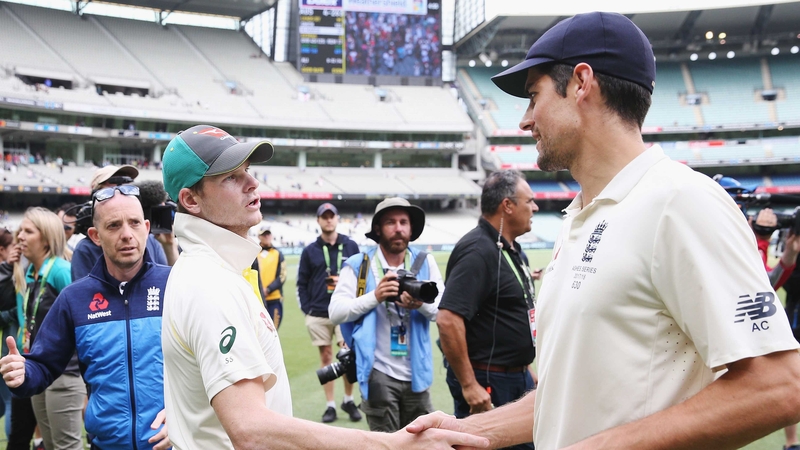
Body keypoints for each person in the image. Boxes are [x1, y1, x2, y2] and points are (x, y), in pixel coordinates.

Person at [407, 11, 800, 449]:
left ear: (581, 83)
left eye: (534, 96)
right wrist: (471, 430)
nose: (525, 119)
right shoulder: (582, 215)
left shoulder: (681, 201)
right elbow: (573, 395)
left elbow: (779, 385)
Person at [160, 124, 485, 450]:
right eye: (231, 176)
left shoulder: (213, 270)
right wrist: (388, 445)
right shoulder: (211, 282)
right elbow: (250, 430)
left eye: (246, 170)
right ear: (191, 199)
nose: (253, 182)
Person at [0, 186, 171, 450]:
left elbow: (209, 365)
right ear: (95, 236)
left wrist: (185, 419)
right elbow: (43, 365)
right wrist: (23, 373)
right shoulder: (74, 298)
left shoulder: (176, 285)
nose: (127, 234)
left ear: (147, 228)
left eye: (134, 223)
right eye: (114, 225)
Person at [436, 170, 537, 449]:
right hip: (490, 380)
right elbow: (447, 319)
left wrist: (526, 370)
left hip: (515, 377)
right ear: (508, 205)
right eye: (530, 201)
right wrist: (469, 385)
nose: (535, 207)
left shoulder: (511, 248)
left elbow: (505, 314)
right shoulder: (478, 250)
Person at [329, 197, 443, 432]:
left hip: (417, 372)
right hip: (377, 371)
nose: (398, 228)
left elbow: (441, 311)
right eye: (391, 222)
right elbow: (335, 312)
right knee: (386, 444)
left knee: (421, 443)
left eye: (404, 222)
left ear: (412, 229)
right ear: (378, 228)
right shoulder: (359, 264)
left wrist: (419, 303)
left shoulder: (425, 262)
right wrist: (376, 296)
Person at [8, 208, 85, 450]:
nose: (20, 236)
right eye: (20, 230)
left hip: (64, 373)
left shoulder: (61, 271)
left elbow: (82, 320)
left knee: (65, 445)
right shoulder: (32, 273)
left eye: (28, 232)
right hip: (40, 369)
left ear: (46, 237)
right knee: (51, 444)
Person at [297, 203, 361, 423]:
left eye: (331, 216)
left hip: (345, 311)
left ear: (337, 219)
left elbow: (361, 277)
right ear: (318, 221)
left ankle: (349, 399)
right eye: (323, 217)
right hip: (318, 312)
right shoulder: (309, 251)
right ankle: (330, 405)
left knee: (347, 356)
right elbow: (301, 283)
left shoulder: (351, 246)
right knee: (325, 357)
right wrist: (307, 308)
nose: (328, 220)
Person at [71, 165, 178, 281]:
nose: (121, 190)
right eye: (113, 184)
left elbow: (174, 288)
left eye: (128, 185)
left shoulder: (151, 240)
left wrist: (169, 245)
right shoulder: (85, 249)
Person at [0, 228, 20, 437]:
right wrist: (14, 313)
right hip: (5, 346)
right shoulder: (6, 272)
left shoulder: (12, 270)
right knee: (10, 401)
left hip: (7, 345)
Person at [255, 226, 286, 329]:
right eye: (264, 234)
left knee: (273, 331)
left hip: (274, 299)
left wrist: (268, 289)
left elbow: (282, 276)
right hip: (257, 299)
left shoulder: (278, 253)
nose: (267, 236)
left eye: (268, 234)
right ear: (259, 237)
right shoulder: (254, 253)